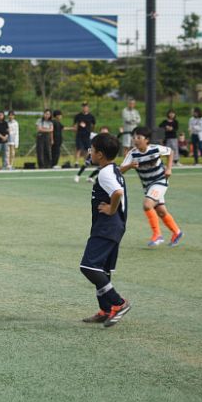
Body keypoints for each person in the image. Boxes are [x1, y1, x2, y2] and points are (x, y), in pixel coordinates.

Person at [78, 133, 131, 328]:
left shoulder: (105, 173)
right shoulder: (112, 169)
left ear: (100, 154)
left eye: (92, 149)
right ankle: (106, 310)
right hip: (114, 226)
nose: (89, 152)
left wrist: (111, 208)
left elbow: (117, 192)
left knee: (88, 266)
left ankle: (118, 302)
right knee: (102, 270)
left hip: (108, 225)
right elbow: (118, 178)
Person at [120, 126, 184, 248]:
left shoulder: (155, 149)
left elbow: (170, 151)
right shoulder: (132, 154)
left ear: (147, 140)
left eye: (139, 137)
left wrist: (169, 168)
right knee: (160, 211)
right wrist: (129, 166)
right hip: (147, 186)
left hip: (160, 181)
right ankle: (176, 232)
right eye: (134, 137)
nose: (135, 139)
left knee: (147, 205)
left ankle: (157, 235)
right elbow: (120, 170)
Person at [73, 101, 96, 167]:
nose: (85, 108)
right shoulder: (78, 116)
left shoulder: (91, 116)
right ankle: (76, 162)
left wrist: (91, 131)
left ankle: (86, 161)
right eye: (83, 107)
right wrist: (75, 129)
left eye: (86, 107)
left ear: (88, 108)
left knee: (88, 148)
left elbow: (93, 125)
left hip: (87, 135)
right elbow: (75, 125)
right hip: (79, 134)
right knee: (78, 148)